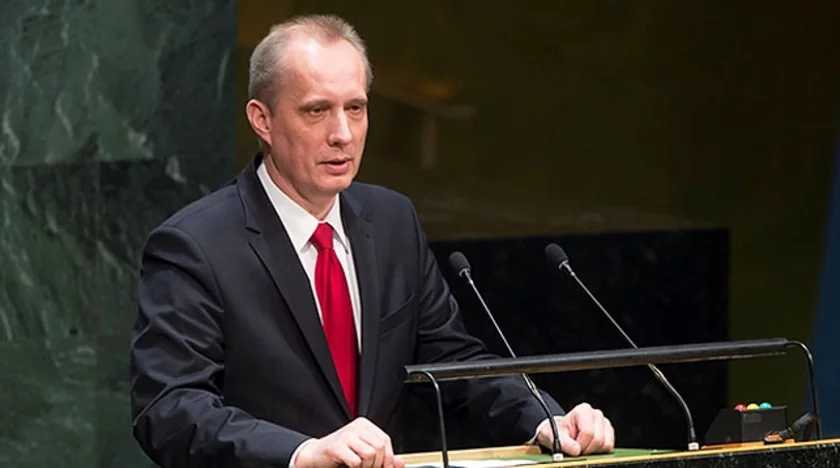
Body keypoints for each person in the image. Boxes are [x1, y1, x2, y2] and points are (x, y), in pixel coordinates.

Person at [130, 14, 614, 468]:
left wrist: (543, 418)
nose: (342, 134)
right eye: (317, 110)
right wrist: (302, 452)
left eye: (355, 108)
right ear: (262, 120)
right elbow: (168, 408)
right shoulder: (196, 245)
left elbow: (452, 360)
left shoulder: (392, 221)